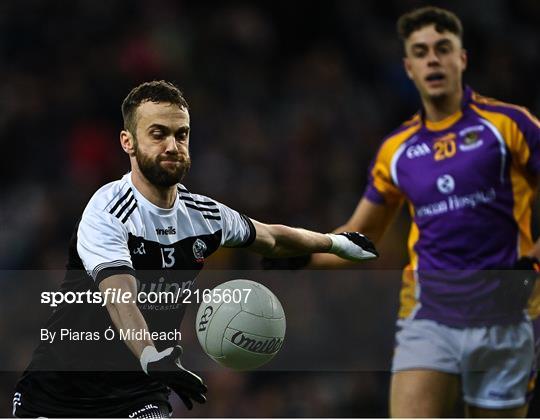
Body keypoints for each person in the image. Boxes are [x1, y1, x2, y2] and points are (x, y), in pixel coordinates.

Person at [12, 80, 378, 418]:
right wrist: (151, 355)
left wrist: (335, 242)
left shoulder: (203, 215)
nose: (172, 145)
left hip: (139, 395)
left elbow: (272, 238)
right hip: (57, 394)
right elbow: (119, 295)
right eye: (158, 134)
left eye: (181, 134)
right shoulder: (108, 210)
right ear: (128, 142)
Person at [265, 6, 540, 418]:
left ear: (461, 59)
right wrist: (302, 252)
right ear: (408, 67)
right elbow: (362, 233)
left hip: (507, 314)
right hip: (430, 316)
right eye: (421, 51)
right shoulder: (396, 150)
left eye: (443, 48)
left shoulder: (509, 126)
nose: (433, 59)